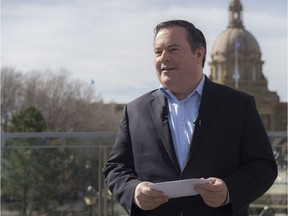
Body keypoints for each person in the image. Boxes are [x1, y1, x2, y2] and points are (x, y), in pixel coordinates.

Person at [104, 20, 277, 216]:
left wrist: (229, 190)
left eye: (172, 49)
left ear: (199, 54)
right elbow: (115, 168)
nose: (164, 58)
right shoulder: (135, 110)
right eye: (158, 52)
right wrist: (133, 191)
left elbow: (264, 166)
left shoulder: (238, 106)